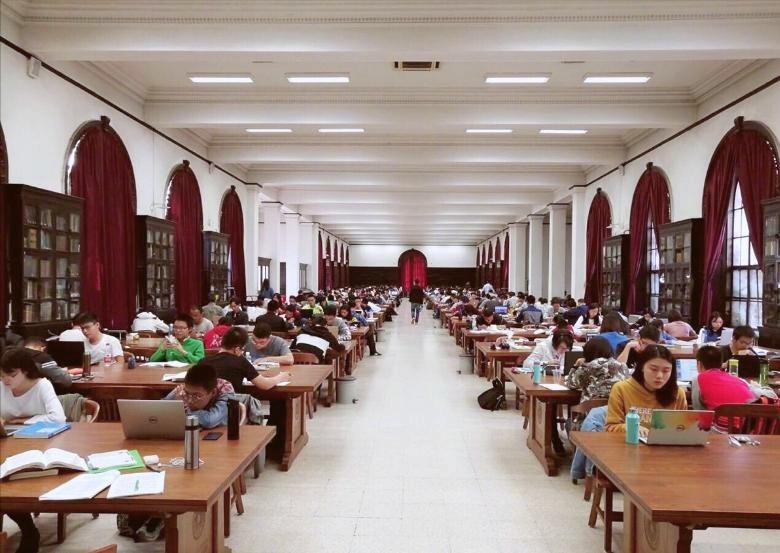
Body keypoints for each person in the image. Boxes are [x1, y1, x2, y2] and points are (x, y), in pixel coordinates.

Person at [0, 347, 67, 552]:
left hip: (40, 446)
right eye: (2, 375)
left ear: (26, 370)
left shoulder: (42, 385)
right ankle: (27, 528)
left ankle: (29, 531)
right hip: (6, 444)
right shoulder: (1, 386)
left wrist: (23, 420)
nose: (6, 380)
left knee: (11, 485)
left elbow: (58, 418)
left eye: (12, 375)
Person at [605, 345, 687, 434]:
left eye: (666, 371)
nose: (659, 376)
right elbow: (610, 427)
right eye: (654, 369)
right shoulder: (621, 389)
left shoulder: (677, 393)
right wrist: (631, 427)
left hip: (665, 441)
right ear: (642, 367)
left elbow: (683, 428)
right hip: (630, 441)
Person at [692, 345, 759, 429]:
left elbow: (699, 413)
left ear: (700, 364)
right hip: (749, 427)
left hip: (725, 429)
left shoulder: (698, 379)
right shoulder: (737, 379)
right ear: (721, 364)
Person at [206, 327, 291, 392]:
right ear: (237, 349)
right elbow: (265, 384)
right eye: (242, 349)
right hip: (232, 405)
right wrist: (281, 377)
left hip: (207, 407)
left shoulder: (204, 361)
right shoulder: (240, 361)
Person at [164, 362, 233, 429]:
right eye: (187, 393)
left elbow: (209, 420)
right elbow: (162, 407)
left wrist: (183, 410)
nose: (190, 401)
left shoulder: (226, 390)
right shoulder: (184, 389)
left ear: (213, 392)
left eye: (196, 396)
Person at [566, 336, 628, 403]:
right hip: (616, 407)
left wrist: (575, 366)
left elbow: (571, 384)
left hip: (590, 407)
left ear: (588, 351)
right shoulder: (622, 366)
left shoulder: (588, 367)